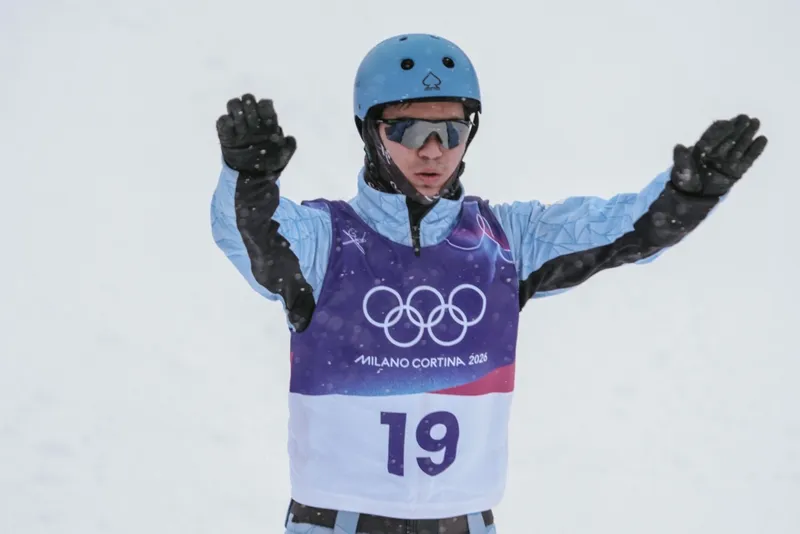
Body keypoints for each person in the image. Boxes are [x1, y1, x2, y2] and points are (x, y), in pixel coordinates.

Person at [210, 33, 767, 534]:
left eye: (451, 130)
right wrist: (250, 180)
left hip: (463, 523)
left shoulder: (504, 241)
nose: (434, 150)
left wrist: (686, 197)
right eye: (409, 128)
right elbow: (249, 236)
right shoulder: (325, 238)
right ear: (370, 131)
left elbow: (623, 230)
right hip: (337, 522)